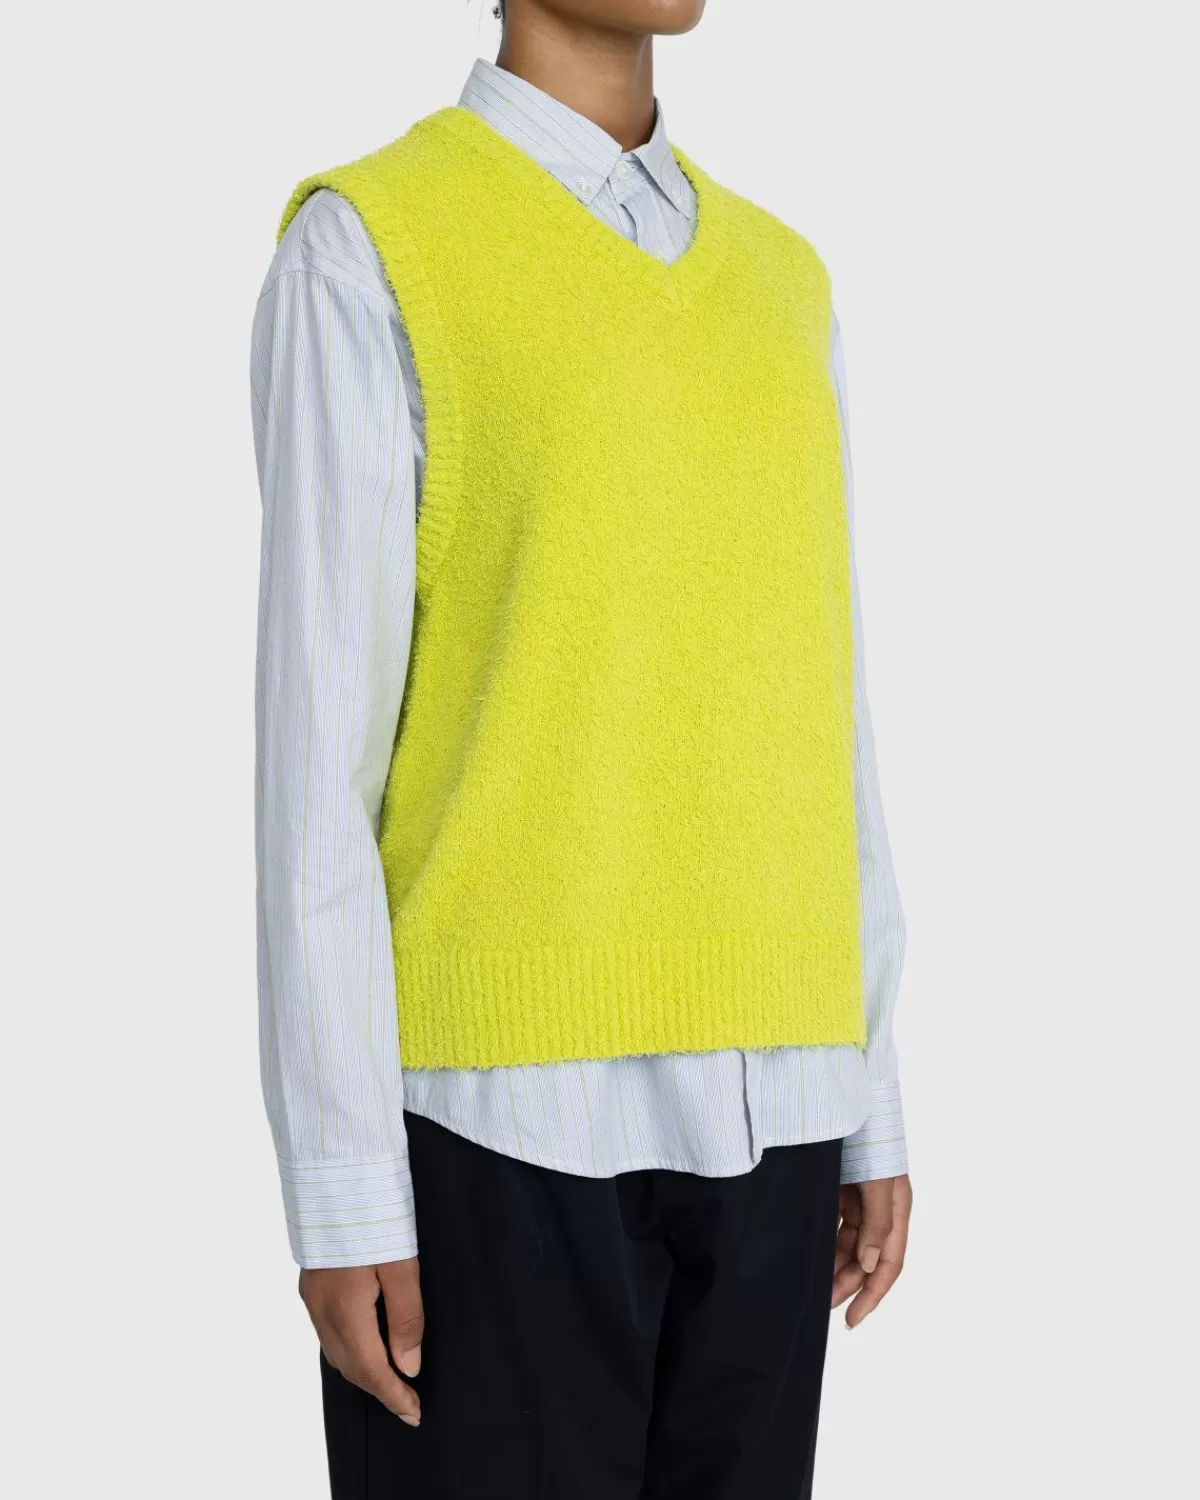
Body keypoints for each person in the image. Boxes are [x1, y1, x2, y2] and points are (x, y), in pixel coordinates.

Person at [250, 2, 912, 1494]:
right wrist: (343, 1190)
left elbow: (825, 705)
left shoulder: (783, 280)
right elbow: (315, 770)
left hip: (779, 1109)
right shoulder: (372, 249)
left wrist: (869, 1088)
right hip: (494, 1125)